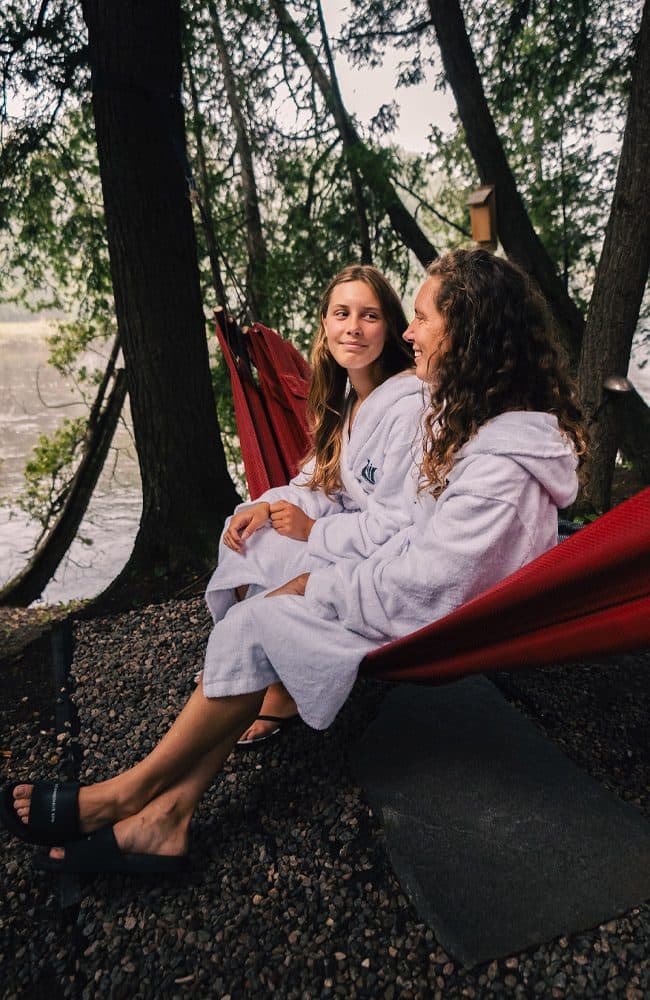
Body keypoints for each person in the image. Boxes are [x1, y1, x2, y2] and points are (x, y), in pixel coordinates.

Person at [2, 249, 586, 875]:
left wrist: (322, 583)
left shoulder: (495, 471)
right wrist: (306, 552)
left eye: (419, 318)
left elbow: (432, 581)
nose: (409, 333)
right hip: (402, 589)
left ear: (468, 333)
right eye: (407, 317)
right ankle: (162, 816)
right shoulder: (466, 418)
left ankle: (124, 796)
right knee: (258, 610)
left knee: (256, 623)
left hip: (435, 621)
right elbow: (394, 528)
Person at [206, 265, 423, 745]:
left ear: (390, 328)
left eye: (369, 316)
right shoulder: (345, 397)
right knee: (251, 537)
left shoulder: (409, 406)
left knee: (287, 559)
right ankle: (257, 665)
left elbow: (398, 522)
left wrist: (312, 531)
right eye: (342, 314)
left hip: (387, 554)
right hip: (349, 531)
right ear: (324, 323)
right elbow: (318, 480)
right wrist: (266, 506)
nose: (354, 327)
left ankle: (276, 686)